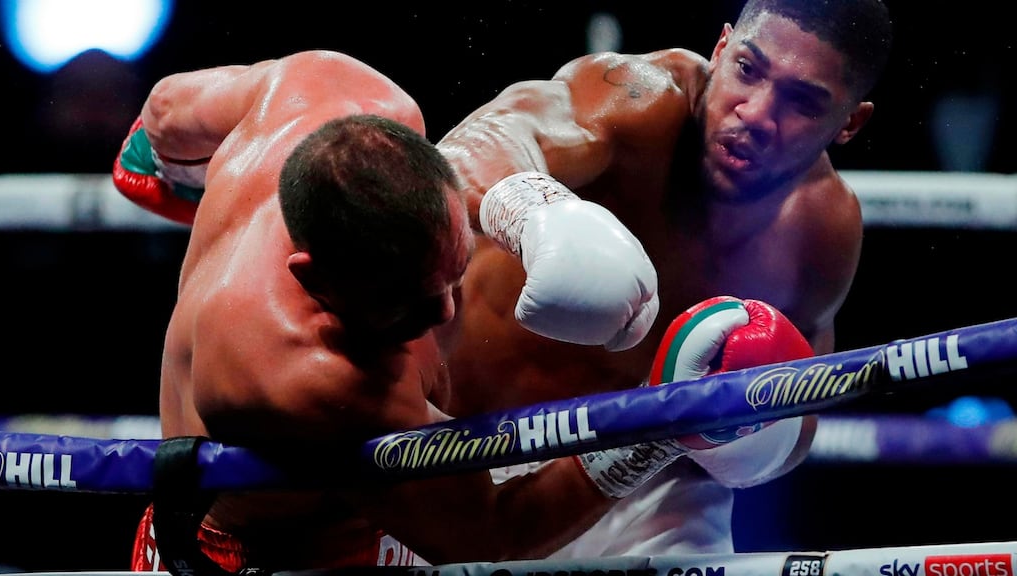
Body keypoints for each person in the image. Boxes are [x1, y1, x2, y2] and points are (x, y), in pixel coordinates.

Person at [110, 49, 712, 572]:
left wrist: (523, 211)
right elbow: (493, 532)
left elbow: (163, 109)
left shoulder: (330, 87)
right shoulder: (315, 379)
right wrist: (657, 427)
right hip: (266, 558)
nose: (445, 310)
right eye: (406, 306)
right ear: (312, 278)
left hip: (376, 513)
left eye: (453, 273)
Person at [435, 0, 892, 557]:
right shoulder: (640, 100)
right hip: (466, 439)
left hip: (640, 486)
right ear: (720, 49)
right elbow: (472, 146)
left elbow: (798, 415)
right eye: (748, 70)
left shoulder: (819, 229)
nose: (755, 113)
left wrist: (759, 443)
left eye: (802, 101)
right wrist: (535, 211)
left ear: (850, 121)